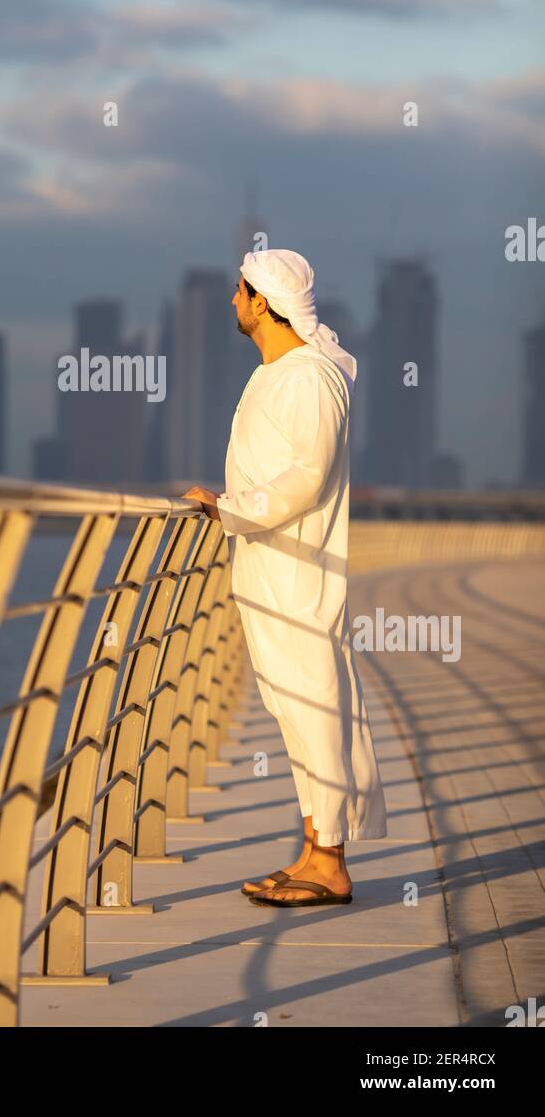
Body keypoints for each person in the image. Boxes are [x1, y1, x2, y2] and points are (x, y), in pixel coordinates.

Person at [183, 247, 387, 906]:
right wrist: (232, 507)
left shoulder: (308, 376)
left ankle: (329, 864)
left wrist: (231, 509)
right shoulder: (279, 373)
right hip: (269, 568)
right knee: (293, 710)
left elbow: (308, 474)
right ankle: (311, 851)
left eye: (240, 292)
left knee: (315, 705)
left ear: (264, 302)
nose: (232, 302)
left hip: (298, 569)